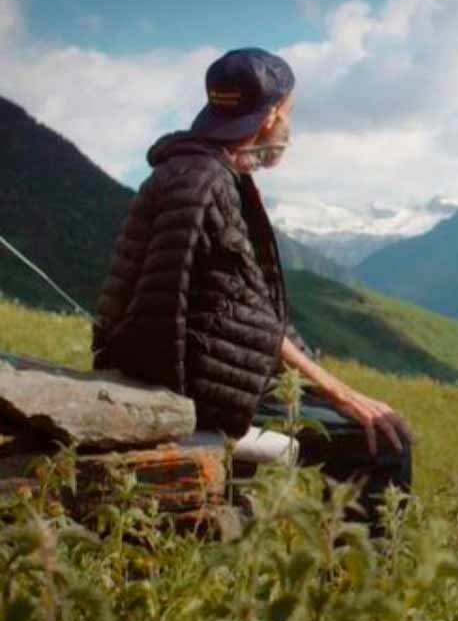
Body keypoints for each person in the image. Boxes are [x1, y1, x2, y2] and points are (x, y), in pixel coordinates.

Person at [92, 48, 411, 530]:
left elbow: (231, 299)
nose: (289, 127)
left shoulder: (193, 171)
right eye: (291, 113)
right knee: (385, 441)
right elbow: (245, 311)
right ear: (271, 117)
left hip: (191, 371)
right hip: (195, 385)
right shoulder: (206, 182)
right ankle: (362, 589)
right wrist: (340, 393)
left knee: (362, 427)